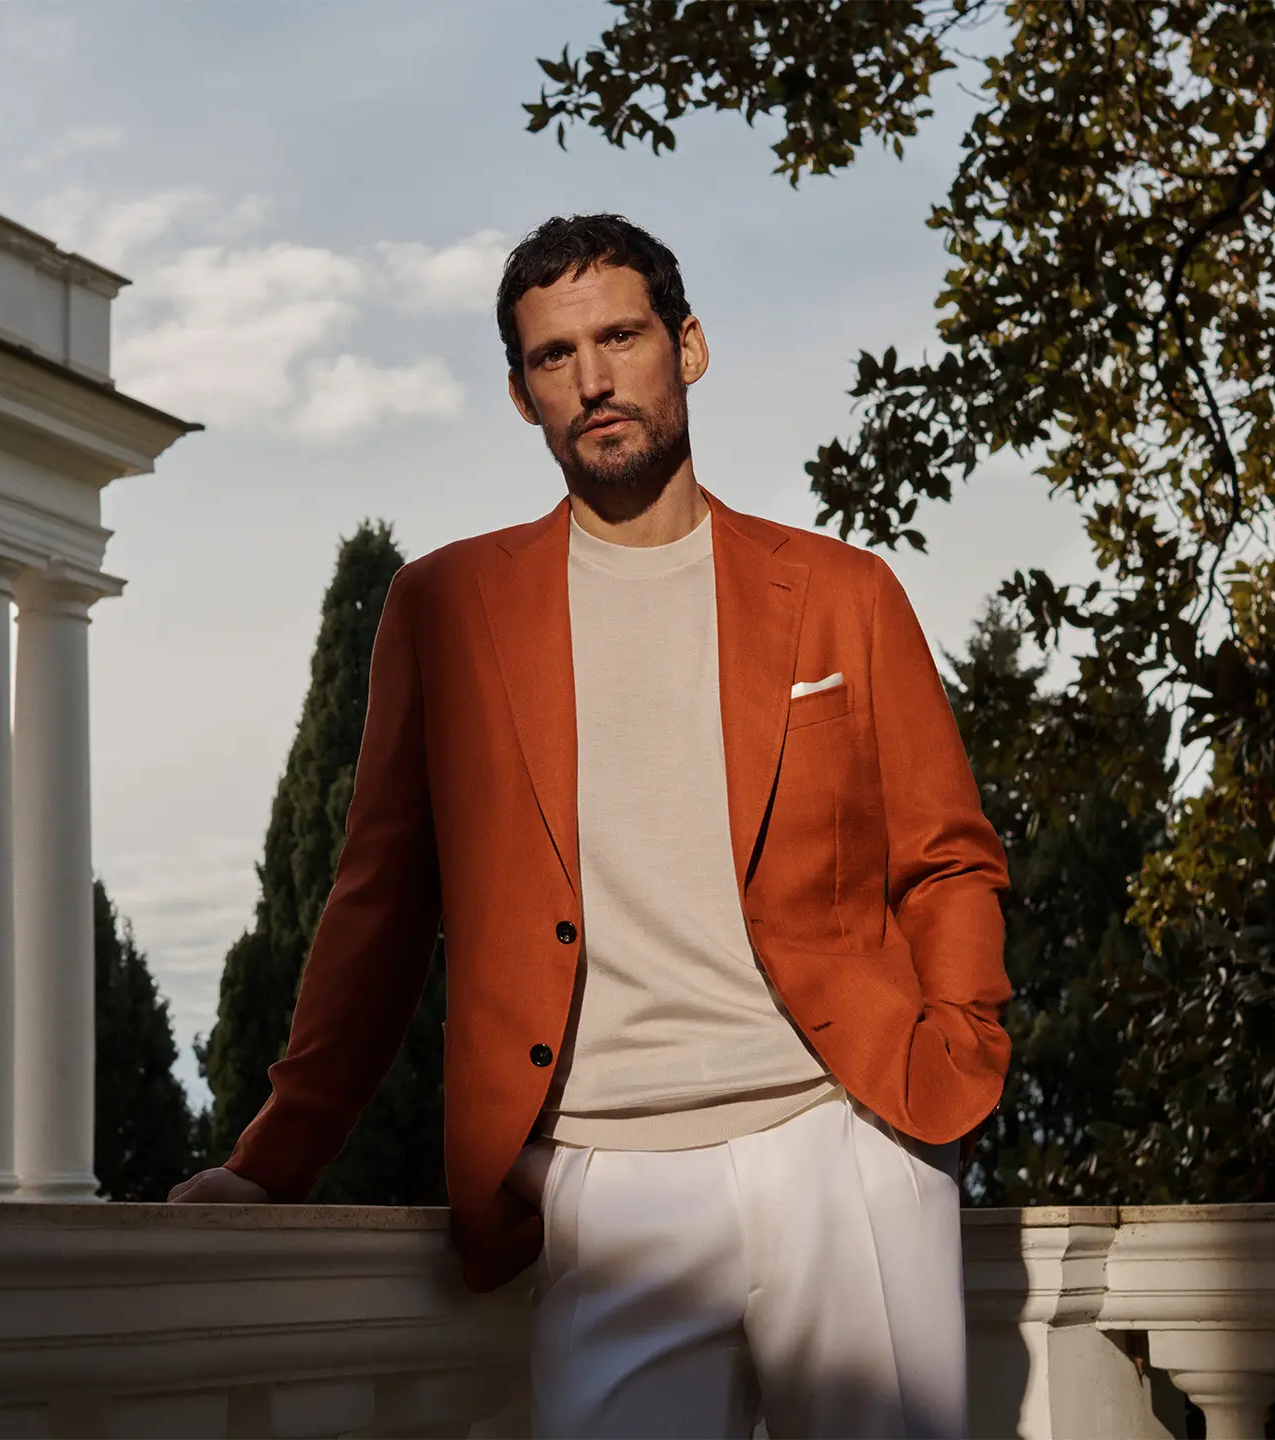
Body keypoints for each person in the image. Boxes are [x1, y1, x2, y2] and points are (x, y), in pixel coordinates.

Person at [169, 214, 1010, 1440]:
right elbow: (380, 904)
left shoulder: (841, 592)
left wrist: (958, 1048)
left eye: (620, 336)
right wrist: (275, 1157)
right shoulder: (447, 606)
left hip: (841, 1141)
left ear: (690, 347)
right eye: (553, 357)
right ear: (521, 396)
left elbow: (946, 857)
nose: (594, 379)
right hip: (603, 1186)